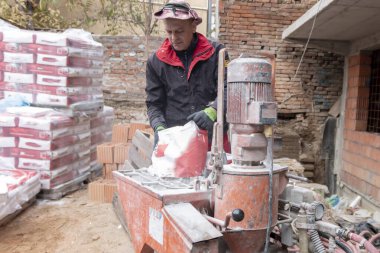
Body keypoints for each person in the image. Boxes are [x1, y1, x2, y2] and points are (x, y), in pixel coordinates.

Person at [145, 0, 229, 150]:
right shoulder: (156, 61)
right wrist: (159, 127)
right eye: (169, 32)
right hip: (176, 142)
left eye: (179, 31)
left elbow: (230, 88)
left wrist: (214, 110)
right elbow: (154, 104)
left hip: (214, 138)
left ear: (193, 26)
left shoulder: (217, 53)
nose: (173, 38)